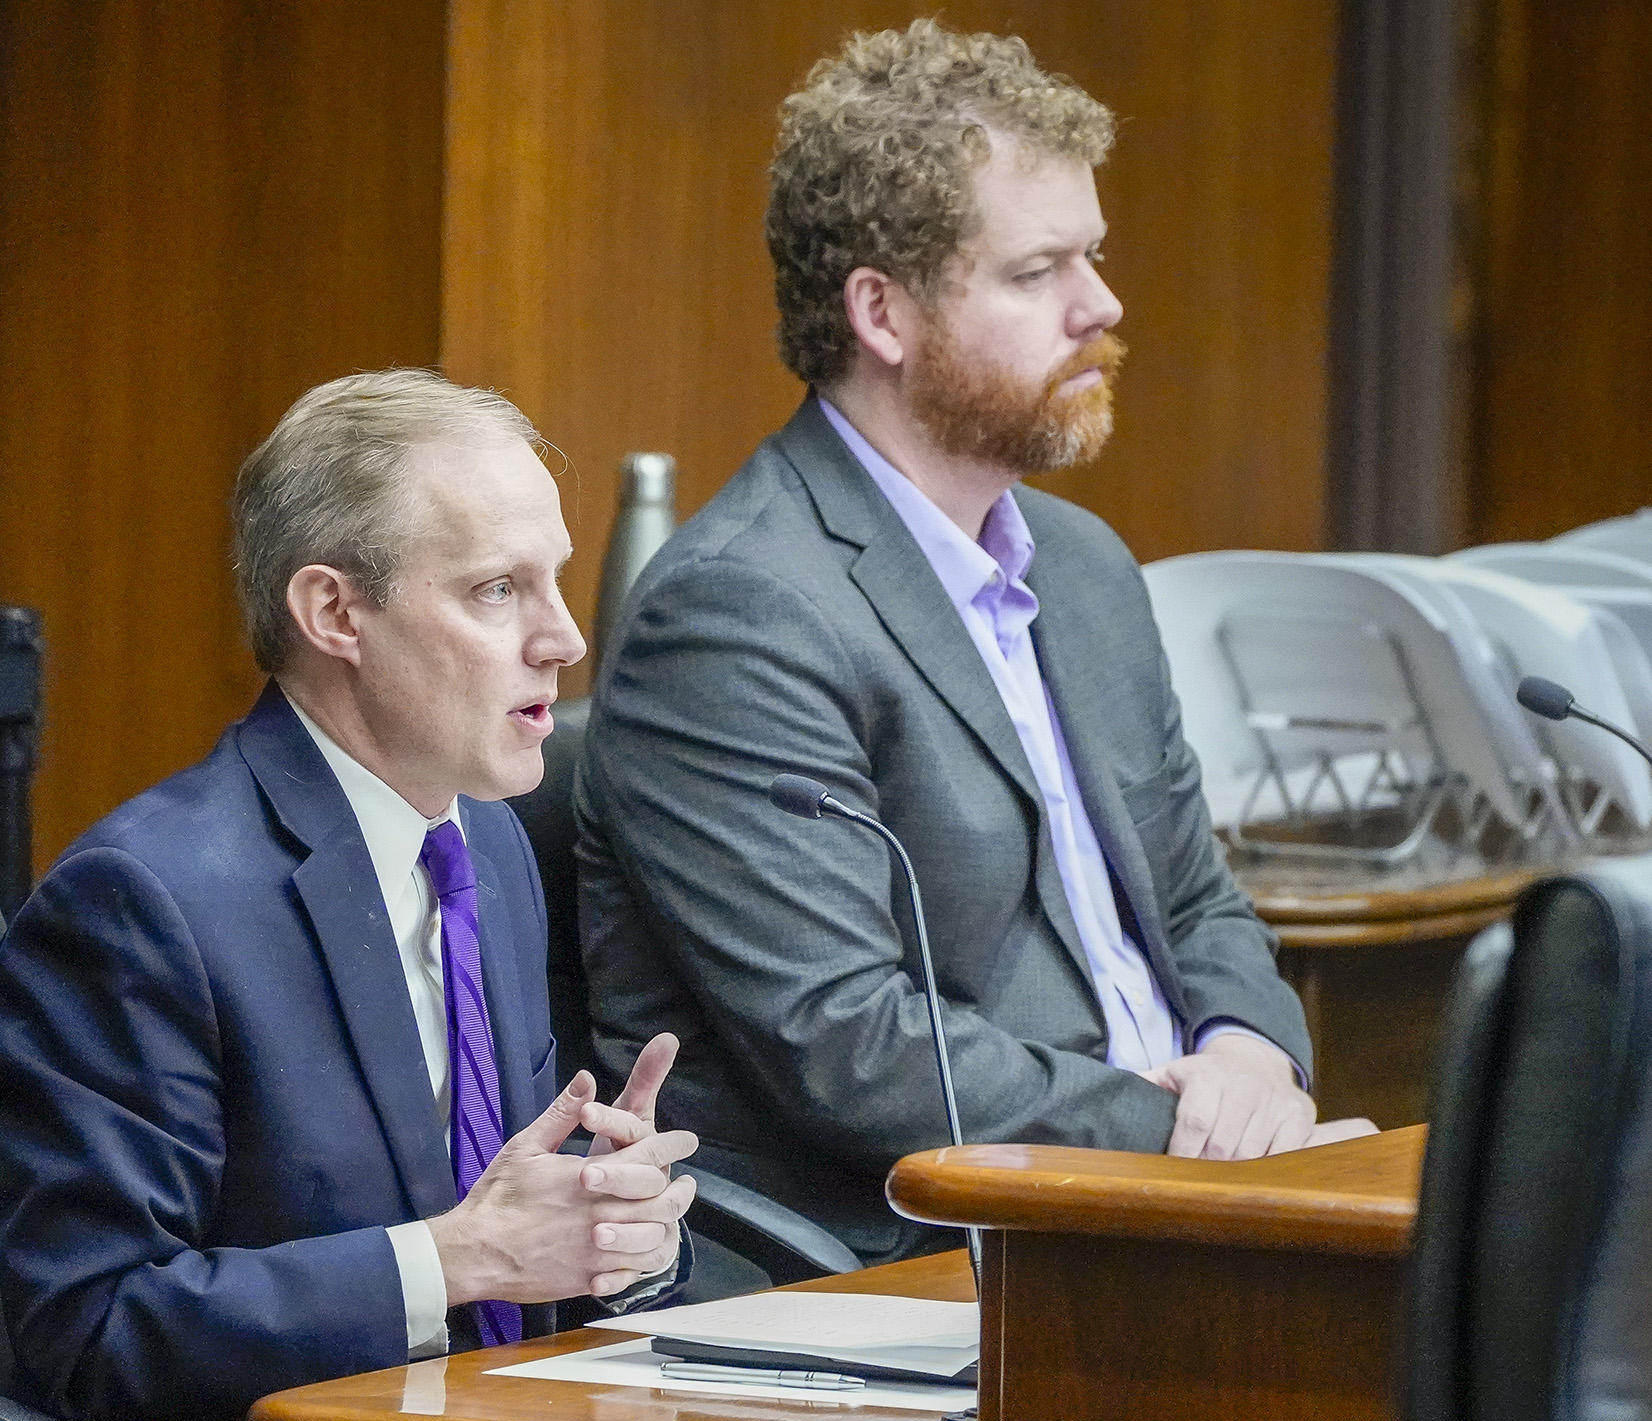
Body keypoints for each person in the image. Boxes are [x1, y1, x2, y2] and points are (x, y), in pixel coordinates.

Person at [576, 22, 1355, 1267]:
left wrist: (1251, 1052)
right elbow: (851, 1045)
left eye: (1092, 256)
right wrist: (1190, 1143)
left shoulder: (1086, 566)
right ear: (883, 312)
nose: (1102, 306)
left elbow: (1194, 895)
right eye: (1039, 270)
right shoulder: (737, 612)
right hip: (931, 1257)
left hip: (1165, 1207)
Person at [0, 369, 697, 1421]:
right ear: (335, 615)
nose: (563, 638)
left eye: (554, 582)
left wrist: (610, 1230)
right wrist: (457, 1260)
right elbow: (95, 1328)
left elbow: (492, 1197)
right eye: (498, 590)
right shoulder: (144, 903)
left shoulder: (488, 844)